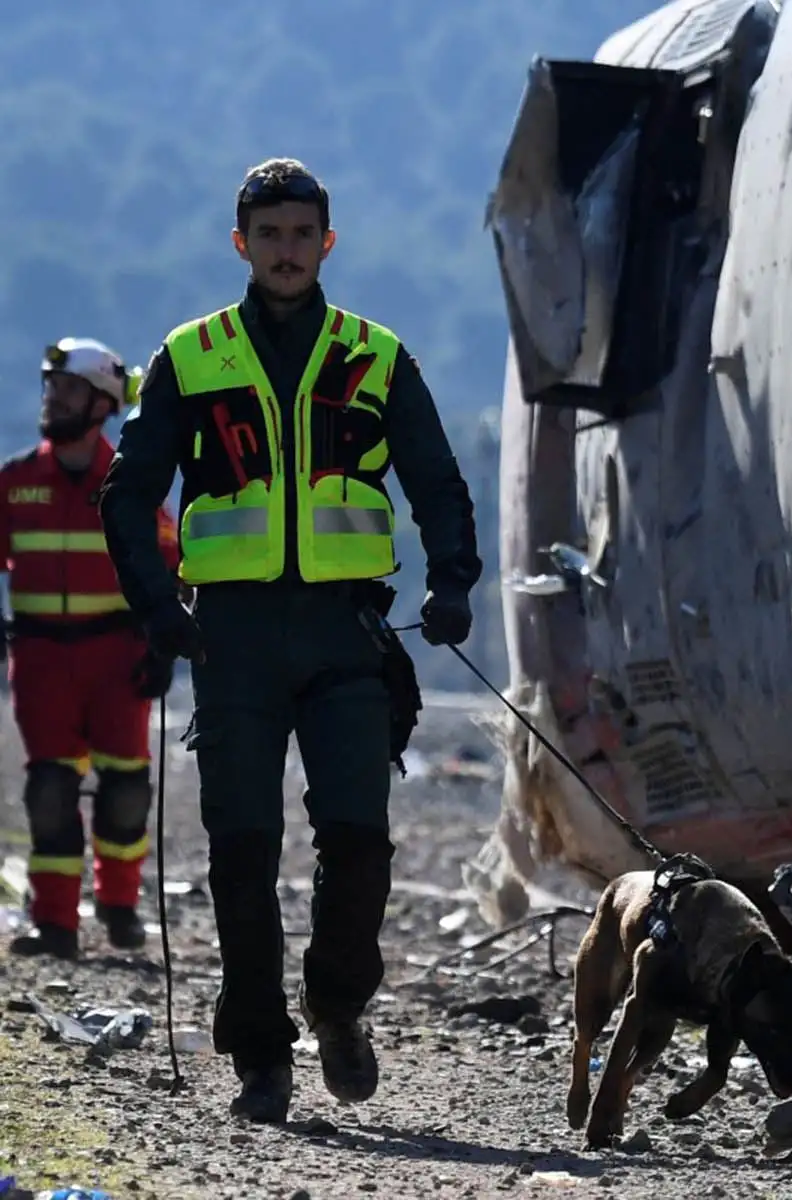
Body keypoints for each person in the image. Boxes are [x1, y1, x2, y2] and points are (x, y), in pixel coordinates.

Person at [98, 157, 483, 1123]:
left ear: (327, 243)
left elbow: (436, 481)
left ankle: (339, 1003)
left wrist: (452, 584)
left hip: (347, 634)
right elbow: (128, 488)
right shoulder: (192, 355)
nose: (284, 250)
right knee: (241, 852)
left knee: (359, 843)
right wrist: (156, 608)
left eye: (301, 234)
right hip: (230, 641)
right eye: (267, 234)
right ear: (242, 243)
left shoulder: (374, 356)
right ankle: (262, 1055)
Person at [2, 338, 181, 960]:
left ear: (104, 404)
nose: (54, 399)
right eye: (51, 388)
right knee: (49, 791)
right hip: (40, 662)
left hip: (116, 660)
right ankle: (55, 922)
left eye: (70, 389)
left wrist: (164, 646)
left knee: (126, 789)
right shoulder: (16, 481)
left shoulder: (129, 486)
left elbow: (170, 567)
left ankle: (120, 903)